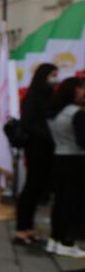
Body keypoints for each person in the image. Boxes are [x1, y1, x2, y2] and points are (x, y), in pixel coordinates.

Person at [14, 64, 57, 246]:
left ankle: (29, 227)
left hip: (47, 148)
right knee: (32, 188)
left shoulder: (48, 96)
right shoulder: (33, 97)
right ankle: (22, 229)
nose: (55, 78)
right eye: (52, 75)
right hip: (37, 148)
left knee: (38, 188)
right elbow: (28, 123)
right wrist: (49, 134)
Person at [45, 77, 85, 257]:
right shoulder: (76, 113)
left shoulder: (55, 111)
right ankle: (66, 241)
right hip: (75, 160)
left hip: (59, 157)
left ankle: (55, 239)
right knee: (71, 202)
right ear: (75, 90)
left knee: (60, 201)